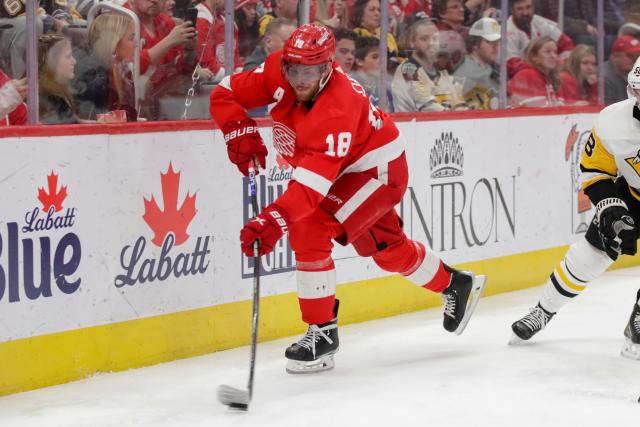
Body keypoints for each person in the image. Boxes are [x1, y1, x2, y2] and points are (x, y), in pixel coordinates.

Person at [209, 24, 486, 373]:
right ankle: (456, 284)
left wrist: (274, 220)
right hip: (346, 167)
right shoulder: (279, 69)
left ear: (327, 67)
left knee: (308, 225)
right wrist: (237, 128)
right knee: (387, 251)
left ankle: (322, 332)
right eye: (294, 69)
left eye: (310, 71)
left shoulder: (337, 108)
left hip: (376, 171)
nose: (300, 79)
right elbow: (224, 93)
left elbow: (310, 191)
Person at [510, 56, 640, 360]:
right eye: (639, 89)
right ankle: (543, 310)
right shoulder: (613, 120)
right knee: (590, 253)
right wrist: (609, 206)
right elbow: (595, 169)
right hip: (634, 194)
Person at [74, 13, 138, 121]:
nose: (136, 44)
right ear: (113, 43)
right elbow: (90, 121)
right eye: (131, 38)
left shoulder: (124, 71)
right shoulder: (93, 77)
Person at [392, 18, 464, 112]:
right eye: (424, 39)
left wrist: (462, 109)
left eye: (435, 38)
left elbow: (459, 103)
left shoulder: (441, 73)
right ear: (412, 42)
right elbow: (428, 107)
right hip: (414, 125)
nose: (431, 43)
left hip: (442, 124)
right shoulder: (407, 69)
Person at [506, 0, 574, 78]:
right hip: (524, 79)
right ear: (512, 10)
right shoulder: (507, 31)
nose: (525, 13)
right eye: (520, 9)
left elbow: (567, 44)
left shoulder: (540, 22)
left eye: (528, 7)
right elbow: (513, 65)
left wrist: (560, 65)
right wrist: (542, 69)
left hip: (549, 73)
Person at [454, 17, 500, 109]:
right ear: (475, 44)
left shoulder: (489, 68)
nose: (495, 46)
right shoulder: (466, 75)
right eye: (489, 42)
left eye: (497, 41)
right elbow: (481, 112)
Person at [508, 36, 567, 108]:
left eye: (555, 52)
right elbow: (537, 110)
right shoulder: (526, 75)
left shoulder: (553, 79)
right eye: (548, 52)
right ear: (534, 56)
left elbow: (560, 106)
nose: (553, 56)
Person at [39, 34, 77, 124]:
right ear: (52, 62)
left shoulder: (58, 93)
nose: (74, 61)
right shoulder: (49, 100)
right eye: (68, 56)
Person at [604, 35, 640, 105]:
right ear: (615, 57)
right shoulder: (605, 77)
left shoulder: (633, 73)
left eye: (637, 56)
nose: (635, 59)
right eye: (630, 56)